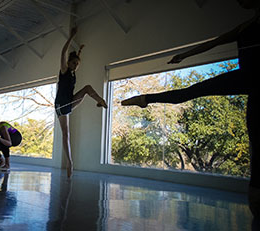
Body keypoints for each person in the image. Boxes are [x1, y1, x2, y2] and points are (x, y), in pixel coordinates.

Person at [121, 0, 260, 216]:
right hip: (249, 79)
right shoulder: (244, 27)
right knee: (191, 92)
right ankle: (146, 98)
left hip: (254, 78)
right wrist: (184, 55)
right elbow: (212, 43)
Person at [55, 26, 108, 178]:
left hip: (70, 102)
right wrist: (71, 37)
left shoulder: (73, 73)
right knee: (66, 134)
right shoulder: (64, 70)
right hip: (61, 105)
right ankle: (70, 163)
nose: (76, 66)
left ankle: (101, 101)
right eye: (74, 64)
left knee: (87, 88)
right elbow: (63, 53)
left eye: (77, 64)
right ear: (68, 63)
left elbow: (76, 60)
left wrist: (80, 53)